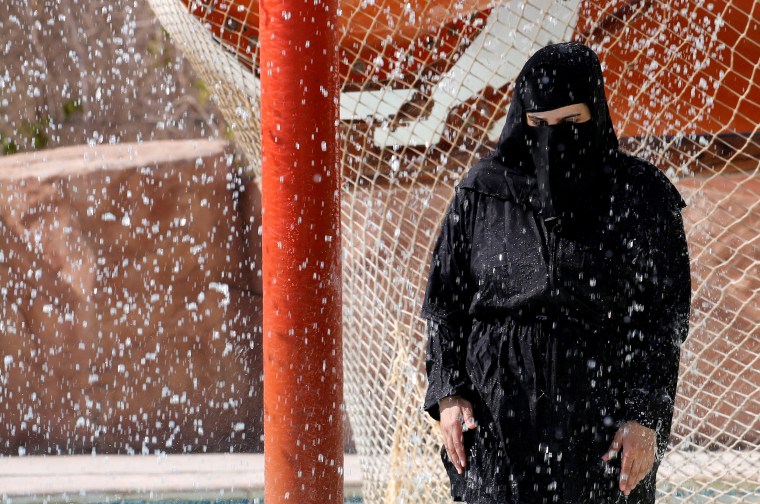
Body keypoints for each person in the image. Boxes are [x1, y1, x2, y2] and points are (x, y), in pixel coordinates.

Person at [421, 42, 691, 504]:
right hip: (497, 428)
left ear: (597, 113)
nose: (553, 141)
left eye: (570, 123)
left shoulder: (641, 198)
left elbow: (664, 321)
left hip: (603, 430)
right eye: (538, 124)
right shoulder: (482, 192)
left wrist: (646, 417)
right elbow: (445, 306)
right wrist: (449, 395)